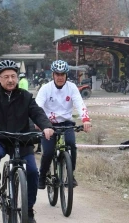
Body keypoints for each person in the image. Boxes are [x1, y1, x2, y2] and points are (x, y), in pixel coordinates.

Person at [0, 60, 54, 223]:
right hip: (0, 138)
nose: (10, 80)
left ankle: (28, 209)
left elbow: (38, 113)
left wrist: (47, 126)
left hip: (22, 140)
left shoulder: (26, 97)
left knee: (33, 172)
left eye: (13, 76)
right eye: (6, 77)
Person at [35, 60, 92, 189]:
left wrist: (86, 120)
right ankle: (42, 176)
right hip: (48, 124)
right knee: (48, 152)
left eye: (62, 74)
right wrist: (39, 122)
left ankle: (70, 175)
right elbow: (37, 106)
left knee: (71, 145)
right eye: (57, 74)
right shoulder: (46, 88)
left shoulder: (71, 88)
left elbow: (80, 103)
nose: (60, 77)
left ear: (66, 75)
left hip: (66, 123)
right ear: (53, 75)